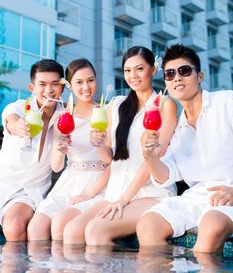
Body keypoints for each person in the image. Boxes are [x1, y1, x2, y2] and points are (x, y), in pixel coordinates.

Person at [62, 46, 178, 245]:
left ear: (153, 69)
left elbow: (153, 159)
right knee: (72, 231)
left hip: (150, 193)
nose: (133, 75)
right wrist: (98, 144)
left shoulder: (165, 105)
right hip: (115, 191)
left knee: (95, 231)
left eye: (139, 69)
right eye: (127, 70)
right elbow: (109, 159)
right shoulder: (116, 105)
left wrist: (124, 200)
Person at [137, 44, 233, 253]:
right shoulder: (178, 130)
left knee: (211, 224)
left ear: (200, 76)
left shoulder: (227, 102)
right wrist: (149, 156)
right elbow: (166, 176)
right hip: (197, 198)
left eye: (184, 71)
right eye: (170, 74)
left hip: (229, 195)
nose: (177, 78)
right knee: (147, 225)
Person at [27, 59, 111, 241]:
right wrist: (59, 149)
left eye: (90, 80)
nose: (86, 87)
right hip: (69, 182)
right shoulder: (64, 116)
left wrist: (89, 193)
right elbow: (56, 167)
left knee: (59, 225)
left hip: (99, 183)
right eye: (79, 82)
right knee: (35, 229)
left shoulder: (106, 111)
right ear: (69, 86)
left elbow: (113, 162)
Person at [0, 59, 64, 241]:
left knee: (15, 226)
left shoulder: (65, 117)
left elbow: (57, 165)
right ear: (32, 87)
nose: (49, 90)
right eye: (42, 84)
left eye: (55, 84)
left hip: (29, 192)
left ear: (62, 88)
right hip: (3, 182)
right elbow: (10, 119)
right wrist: (17, 126)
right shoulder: (20, 107)